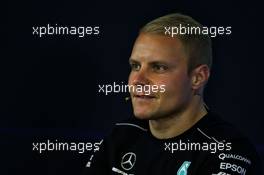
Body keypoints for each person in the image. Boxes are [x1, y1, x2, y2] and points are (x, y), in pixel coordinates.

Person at [83, 13, 261, 175]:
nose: (138, 80)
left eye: (158, 67)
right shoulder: (122, 136)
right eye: (135, 66)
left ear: (197, 78)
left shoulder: (228, 152)